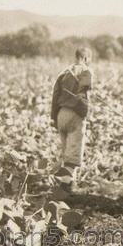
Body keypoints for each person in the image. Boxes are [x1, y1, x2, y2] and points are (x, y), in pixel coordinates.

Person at [50, 47, 94, 191]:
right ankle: (67, 186)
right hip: (75, 114)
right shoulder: (85, 70)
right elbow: (85, 84)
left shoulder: (64, 73)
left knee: (66, 151)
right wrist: (82, 97)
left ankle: (66, 184)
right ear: (86, 58)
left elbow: (55, 96)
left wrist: (54, 118)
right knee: (74, 153)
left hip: (61, 113)